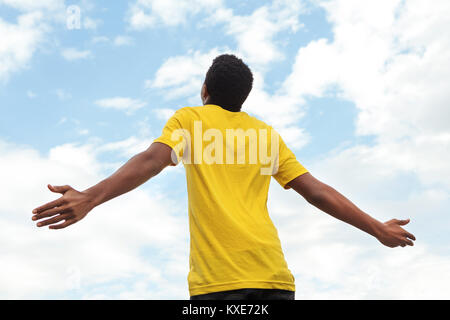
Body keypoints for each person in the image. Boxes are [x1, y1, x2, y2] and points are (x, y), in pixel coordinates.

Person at [32, 54, 416, 300]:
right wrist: (377, 229)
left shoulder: (191, 119)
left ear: (205, 90)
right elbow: (316, 191)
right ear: (242, 99)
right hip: (274, 281)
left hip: (219, 287)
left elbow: (151, 161)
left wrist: (90, 197)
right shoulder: (267, 135)